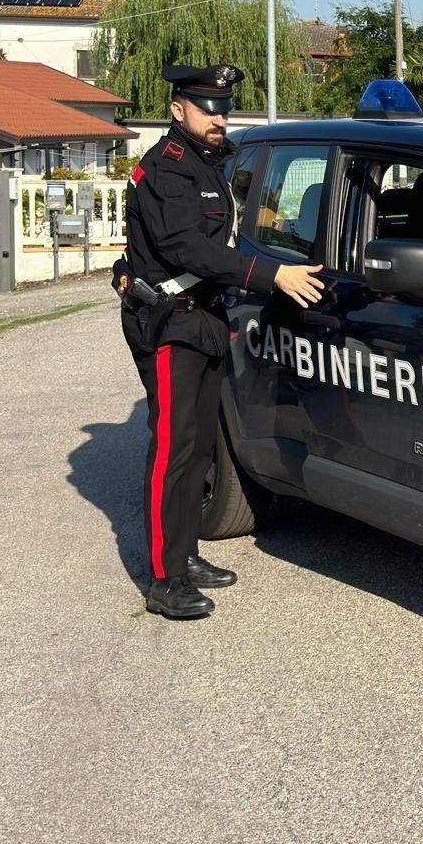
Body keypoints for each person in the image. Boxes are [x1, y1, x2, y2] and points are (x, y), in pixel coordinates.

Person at [118, 64, 325, 618]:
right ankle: (164, 578)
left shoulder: (209, 163)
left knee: (200, 447)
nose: (219, 117)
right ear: (177, 110)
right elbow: (189, 249)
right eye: (207, 108)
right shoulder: (168, 168)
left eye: (225, 108)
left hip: (203, 318)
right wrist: (270, 275)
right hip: (169, 323)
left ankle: (185, 555)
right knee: (173, 450)